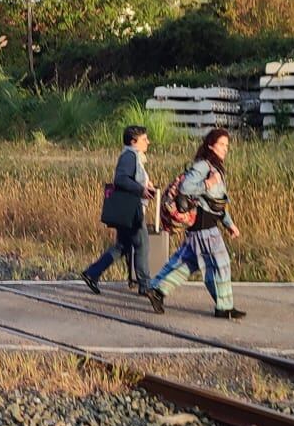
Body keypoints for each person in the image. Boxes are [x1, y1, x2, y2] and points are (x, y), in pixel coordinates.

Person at [144, 124, 245, 319]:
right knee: (220, 264)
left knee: (187, 263)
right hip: (204, 225)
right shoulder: (203, 166)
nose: (225, 148)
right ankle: (224, 307)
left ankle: (157, 290)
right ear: (210, 145)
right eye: (221, 144)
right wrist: (209, 183)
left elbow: (217, 202)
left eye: (227, 145)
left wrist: (229, 224)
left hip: (204, 224)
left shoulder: (214, 168)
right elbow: (186, 188)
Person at [81, 124, 154, 294]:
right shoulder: (130, 156)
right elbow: (121, 179)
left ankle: (92, 273)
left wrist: (145, 184)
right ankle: (145, 285)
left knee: (122, 246)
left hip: (127, 210)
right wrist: (141, 189)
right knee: (142, 245)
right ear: (133, 141)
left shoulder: (134, 156)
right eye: (144, 139)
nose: (148, 142)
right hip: (132, 211)